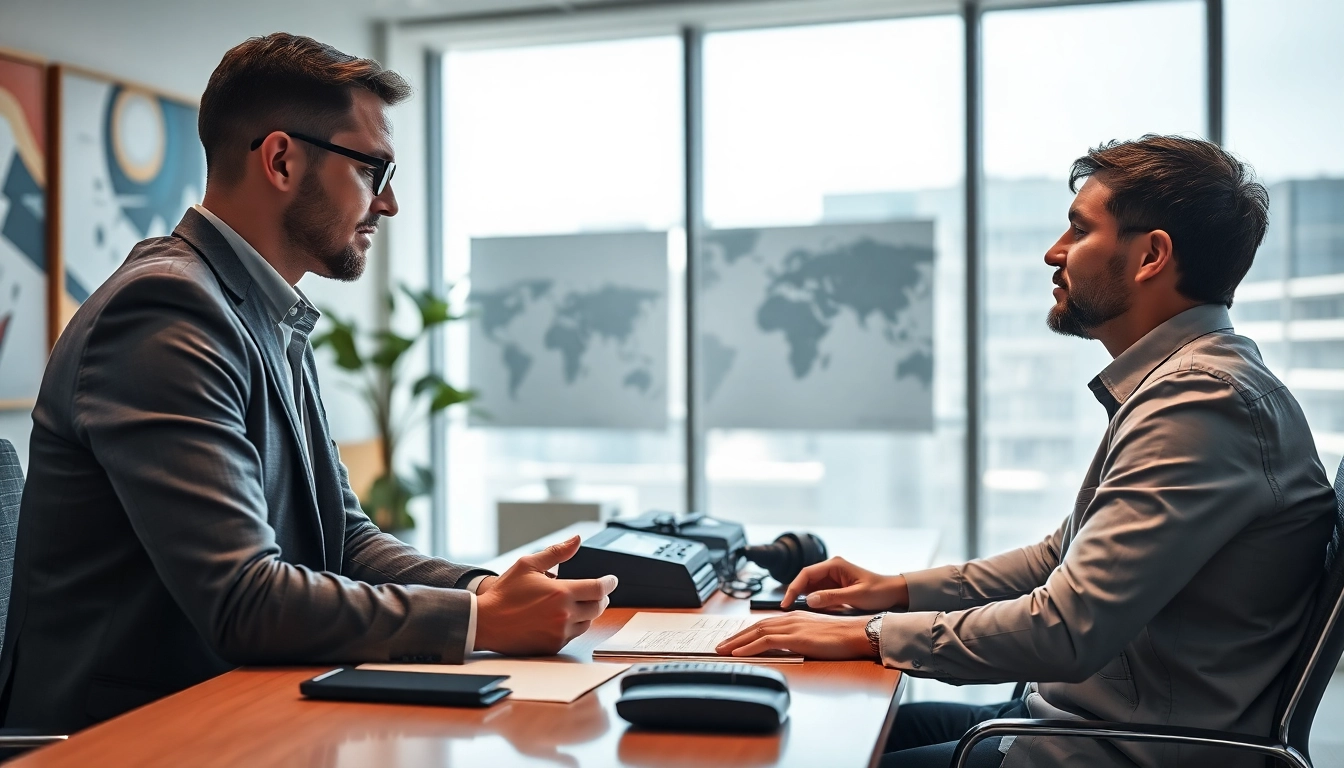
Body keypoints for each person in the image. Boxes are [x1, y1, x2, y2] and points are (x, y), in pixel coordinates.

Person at [0, 33, 617, 733]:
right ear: (282, 160)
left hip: (234, 713)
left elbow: (343, 538)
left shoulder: (262, 312)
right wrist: (480, 621)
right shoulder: (166, 312)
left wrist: (485, 589)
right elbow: (243, 598)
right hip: (123, 735)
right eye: (373, 170)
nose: (388, 203)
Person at [716, 135, 1337, 768]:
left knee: (808, 749)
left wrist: (869, 635)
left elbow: (1067, 629)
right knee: (828, 729)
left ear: (1151, 256)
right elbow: (1056, 557)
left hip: (1113, 752)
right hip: (1081, 722)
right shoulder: (1190, 384)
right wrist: (893, 591)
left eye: (1079, 230)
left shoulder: (1200, 403)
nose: (1054, 252)